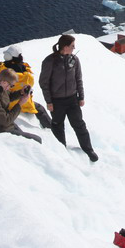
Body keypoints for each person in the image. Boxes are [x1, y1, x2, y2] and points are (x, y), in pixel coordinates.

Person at [39, 33, 98, 162]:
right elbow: (44, 83)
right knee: (58, 126)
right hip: (57, 101)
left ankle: (88, 149)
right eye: (72, 46)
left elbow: (78, 79)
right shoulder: (50, 61)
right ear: (65, 47)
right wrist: (49, 101)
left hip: (72, 100)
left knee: (79, 125)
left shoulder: (74, 60)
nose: (74, 48)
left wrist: (81, 97)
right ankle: (61, 150)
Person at [0, 44, 51, 129]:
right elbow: (31, 84)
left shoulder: (1, 70)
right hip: (23, 104)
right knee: (40, 109)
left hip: (6, 102)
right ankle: (50, 128)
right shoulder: (27, 75)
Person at [0, 68, 41, 143]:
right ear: (4, 82)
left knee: (34, 139)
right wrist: (20, 104)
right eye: (11, 85)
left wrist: (20, 92)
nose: (10, 88)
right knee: (37, 140)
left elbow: (7, 97)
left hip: (6, 125)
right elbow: (6, 121)